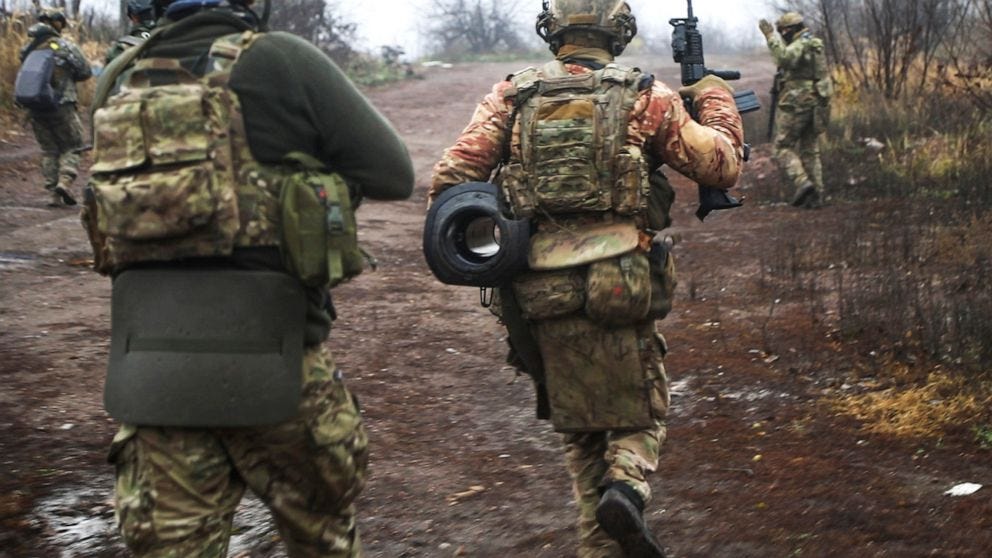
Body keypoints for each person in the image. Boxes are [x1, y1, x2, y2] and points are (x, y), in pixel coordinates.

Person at [84, 0, 414, 556]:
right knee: (321, 534)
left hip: (152, 370)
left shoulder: (118, 77)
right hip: (280, 360)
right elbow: (393, 173)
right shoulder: (282, 58)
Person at [429, 1, 743, 556]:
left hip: (535, 292)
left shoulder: (510, 95)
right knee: (644, 405)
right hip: (620, 280)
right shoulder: (647, 95)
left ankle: (606, 516)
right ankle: (626, 483)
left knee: (582, 445)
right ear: (619, 32)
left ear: (552, 30)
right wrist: (715, 97)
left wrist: (508, 229)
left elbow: (453, 181)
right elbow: (720, 165)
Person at [17, 7, 90, 207]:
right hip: (62, 104)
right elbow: (85, 71)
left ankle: (52, 194)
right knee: (73, 146)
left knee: (49, 150)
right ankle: (64, 182)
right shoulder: (65, 46)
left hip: (35, 105)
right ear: (59, 24)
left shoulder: (27, 48)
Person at [759, 11, 833, 209]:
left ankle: (803, 182)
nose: (782, 35)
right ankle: (817, 196)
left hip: (799, 101)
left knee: (782, 147)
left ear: (790, 30)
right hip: (816, 101)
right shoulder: (813, 42)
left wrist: (771, 37)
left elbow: (784, 59)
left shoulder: (801, 43)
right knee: (810, 150)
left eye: (783, 32)